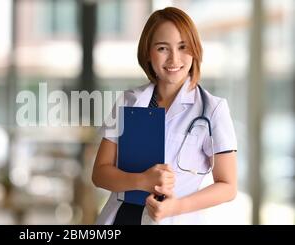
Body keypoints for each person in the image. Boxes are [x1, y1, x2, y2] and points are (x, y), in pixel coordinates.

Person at [92, 7, 238, 225]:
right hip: (121, 218)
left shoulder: (213, 109)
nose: (174, 59)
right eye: (162, 48)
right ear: (148, 53)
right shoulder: (129, 101)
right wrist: (142, 180)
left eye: (183, 47)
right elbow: (100, 174)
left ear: (195, 50)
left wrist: (177, 207)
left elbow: (228, 186)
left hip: (175, 219)